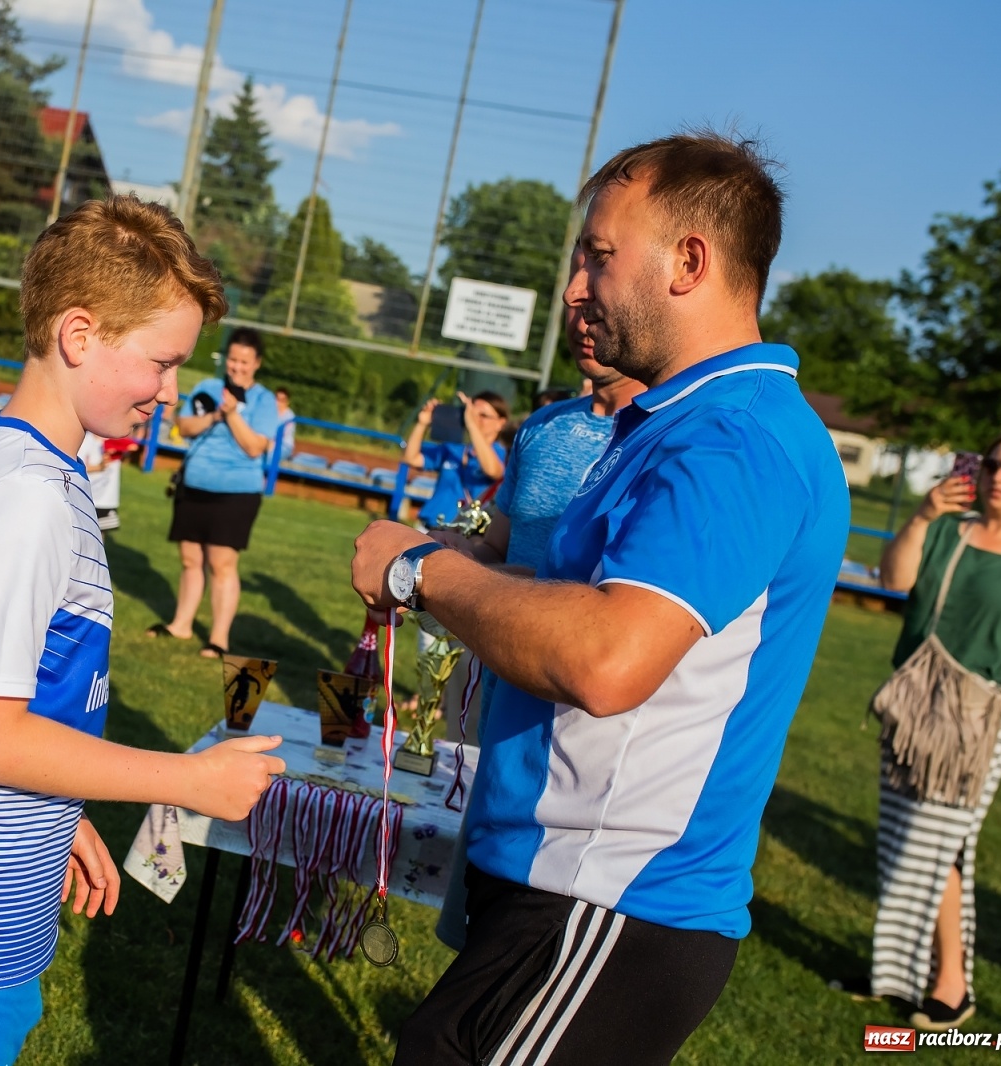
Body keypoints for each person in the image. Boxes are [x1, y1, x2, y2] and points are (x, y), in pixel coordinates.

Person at [352, 130, 848, 1066]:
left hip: (611, 895)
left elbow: (607, 656)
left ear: (689, 262)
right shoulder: (674, 421)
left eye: (598, 255)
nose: (576, 287)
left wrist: (421, 570)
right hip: (562, 880)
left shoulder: (732, 438)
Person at [0, 196, 285, 1066]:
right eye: (160, 361)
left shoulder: (19, 460)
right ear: (78, 336)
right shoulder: (30, 501)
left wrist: (59, 813)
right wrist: (188, 781)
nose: (168, 389)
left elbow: (11, 687)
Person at [428, 249, 648, 952]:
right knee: (478, 853)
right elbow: (505, 538)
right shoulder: (546, 428)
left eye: (597, 308)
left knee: (541, 892)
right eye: (574, 310)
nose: (582, 319)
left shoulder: (658, 440)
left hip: (575, 697)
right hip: (496, 665)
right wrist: (431, 553)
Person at [848, 429, 1001, 1030]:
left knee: (938, 843)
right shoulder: (949, 528)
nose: (998, 479)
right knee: (909, 842)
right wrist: (925, 513)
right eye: (993, 465)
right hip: (913, 706)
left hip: (981, 716)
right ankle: (907, 974)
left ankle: (947, 984)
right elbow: (895, 581)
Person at [148, 326, 279, 658]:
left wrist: (232, 415)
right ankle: (181, 624)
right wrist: (215, 416)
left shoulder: (264, 401)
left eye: (244, 362)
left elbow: (254, 447)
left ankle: (219, 638)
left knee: (222, 564)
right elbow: (184, 425)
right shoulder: (208, 388)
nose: (236, 367)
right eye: (233, 360)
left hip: (236, 492)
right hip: (195, 484)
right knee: (191, 559)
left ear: (257, 363)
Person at [403, 391, 508, 530]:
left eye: (483, 415)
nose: (475, 418)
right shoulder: (455, 449)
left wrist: (472, 425)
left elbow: (493, 471)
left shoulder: (501, 454)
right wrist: (422, 424)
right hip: (429, 526)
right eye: (471, 413)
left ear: (501, 423)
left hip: (461, 534)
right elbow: (411, 458)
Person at [75, 431, 125, 534]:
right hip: (87, 495)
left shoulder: (115, 440)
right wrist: (99, 467)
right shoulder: (85, 440)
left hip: (106, 498)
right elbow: (76, 466)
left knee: (100, 536)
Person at [274, 386, 297, 459]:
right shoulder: (269, 412)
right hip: (268, 443)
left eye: (282, 400)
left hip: (284, 445)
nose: (279, 402)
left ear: (287, 402)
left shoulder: (290, 416)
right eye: (277, 399)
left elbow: (282, 434)